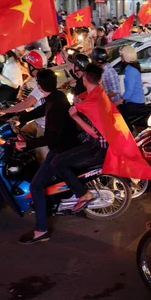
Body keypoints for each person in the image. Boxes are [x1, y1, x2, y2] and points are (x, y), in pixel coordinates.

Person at [15, 69, 80, 244]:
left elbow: (52, 137)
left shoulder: (56, 104)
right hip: (62, 146)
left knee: (36, 186)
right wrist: (20, 118)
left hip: (60, 149)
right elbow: (41, 110)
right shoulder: (56, 97)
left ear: (39, 86)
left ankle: (42, 230)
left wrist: (25, 144)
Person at [51, 63, 109, 213]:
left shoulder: (94, 100)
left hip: (97, 147)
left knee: (58, 163)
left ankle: (83, 194)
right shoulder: (97, 93)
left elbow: (95, 133)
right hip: (95, 143)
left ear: (85, 79)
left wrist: (75, 116)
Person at [116, 45, 146, 120]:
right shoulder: (132, 68)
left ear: (126, 57)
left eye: (122, 56)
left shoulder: (130, 70)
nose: (121, 58)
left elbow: (130, 90)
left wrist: (120, 100)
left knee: (120, 120)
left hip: (135, 103)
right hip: (136, 101)